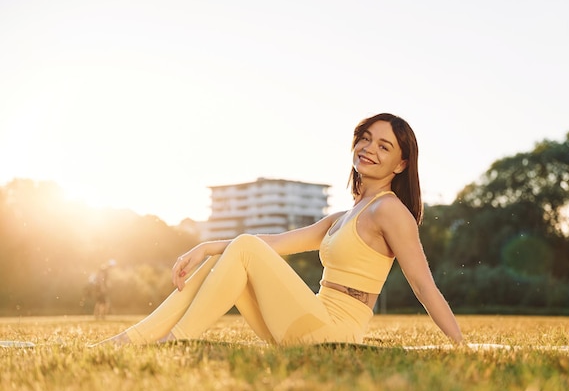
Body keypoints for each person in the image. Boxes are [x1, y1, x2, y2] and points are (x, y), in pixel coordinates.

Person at [94, 113, 464, 346]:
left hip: (333, 333)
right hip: (306, 321)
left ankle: (176, 340)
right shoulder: (342, 217)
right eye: (365, 138)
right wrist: (206, 247)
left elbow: (422, 283)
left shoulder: (390, 211)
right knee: (230, 255)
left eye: (384, 146)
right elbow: (274, 243)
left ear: (400, 164)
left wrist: (459, 343)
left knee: (243, 246)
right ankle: (130, 338)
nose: (369, 148)